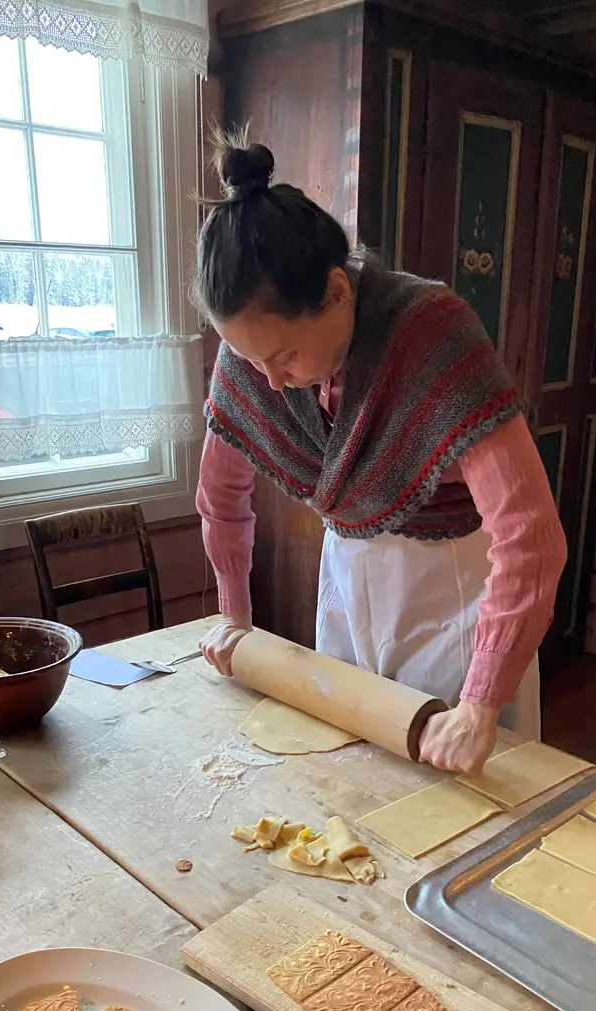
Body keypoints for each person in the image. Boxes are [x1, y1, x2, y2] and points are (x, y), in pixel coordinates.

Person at [194, 132, 567, 777]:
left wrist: (478, 705)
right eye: (253, 361)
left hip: (453, 599)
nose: (271, 381)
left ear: (338, 292)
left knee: (460, 792)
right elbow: (220, 494)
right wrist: (236, 618)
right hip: (345, 583)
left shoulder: (432, 333)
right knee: (350, 778)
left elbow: (532, 538)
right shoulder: (254, 347)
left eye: (284, 358)